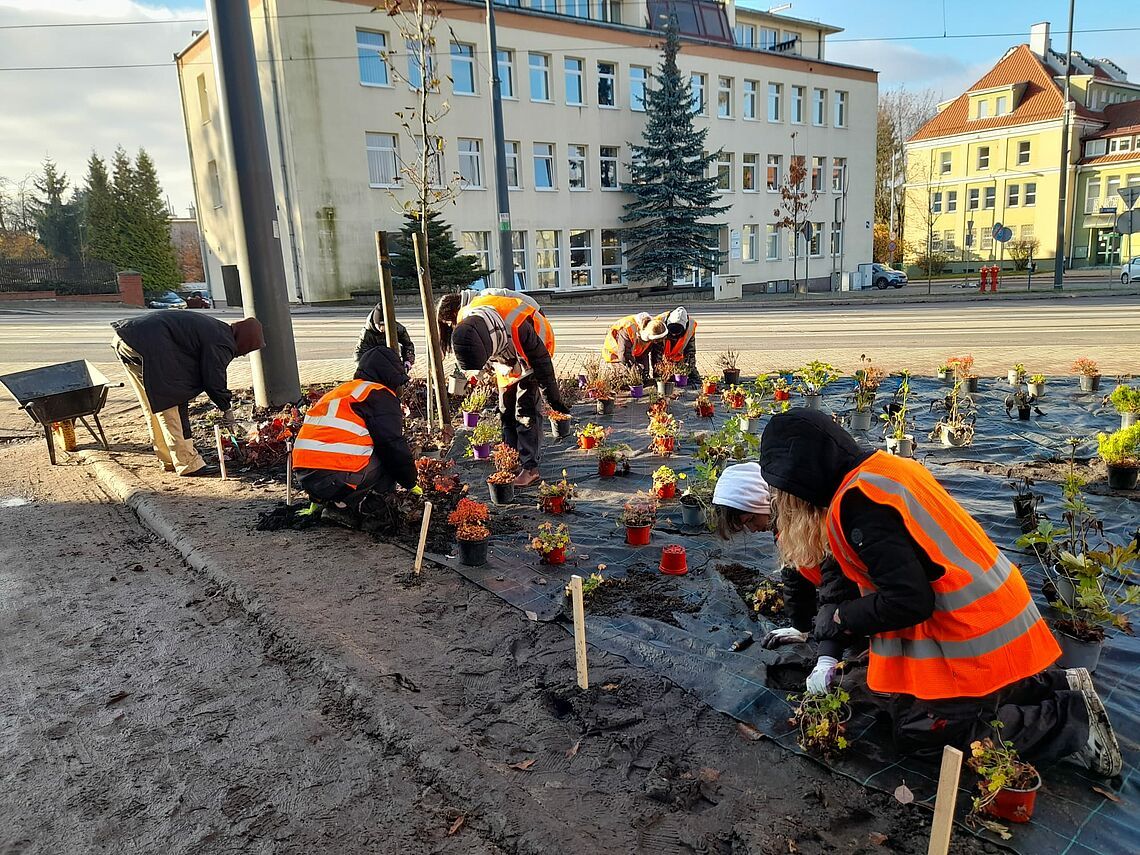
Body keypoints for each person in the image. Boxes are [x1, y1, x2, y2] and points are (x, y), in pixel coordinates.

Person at [758, 408, 1122, 775]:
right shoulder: (881, 473)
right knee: (904, 704)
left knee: (924, 735)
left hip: (970, 631)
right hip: (993, 610)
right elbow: (845, 579)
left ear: (799, 476)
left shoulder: (859, 504)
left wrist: (843, 618)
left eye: (781, 488)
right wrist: (828, 645)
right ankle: (1053, 683)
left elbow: (909, 601)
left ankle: (1072, 722)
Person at [713, 462, 862, 690]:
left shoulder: (813, 516)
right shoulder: (783, 524)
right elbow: (793, 572)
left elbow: (838, 585)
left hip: (867, 594)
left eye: (750, 520)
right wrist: (800, 626)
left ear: (762, 501)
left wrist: (827, 656)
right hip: (843, 598)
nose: (753, 530)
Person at [111, 311, 264, 477]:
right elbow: (213, 380)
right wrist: (226, 408)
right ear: (245, 341)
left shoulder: (218, 330)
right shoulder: (223, 342)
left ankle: (169, 458)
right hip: (147, 344)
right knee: (173, 402)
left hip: (128, 339)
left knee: (153, 405)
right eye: (249, 348)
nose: (245, 354)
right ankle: (188, 463)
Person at [444, 291, 568, 487]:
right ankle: (510, 459)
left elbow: (541, 362)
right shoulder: (466, 320)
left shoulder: (517, 323)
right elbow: (472, 350)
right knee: (505, 410)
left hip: (532, 353)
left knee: (525, 411)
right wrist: (477, 373)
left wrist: (553, 399)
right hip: (506, 358)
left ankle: (530, 468)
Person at [292, 345, 418, 514]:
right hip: (336, 478)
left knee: (362, 446)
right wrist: (410, 482)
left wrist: (316, 500)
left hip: (305, 477)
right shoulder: (379, 394)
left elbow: (320, 446)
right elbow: (391, 445)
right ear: (390, 377)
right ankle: (370, 508)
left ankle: (332, 503)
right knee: (386, 456)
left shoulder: (341, 392)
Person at [601, 312, 667, 380]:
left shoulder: (656, 327)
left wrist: (645, 371)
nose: (656, 342)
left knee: (643, 375)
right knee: (627, 376)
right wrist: (636, 368)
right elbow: (624, 355)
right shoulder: (628, 328)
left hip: (635, 351)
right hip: (615, 354)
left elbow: (644, 353)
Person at [354, 305, 415, 369]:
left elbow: (408, 345)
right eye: (379, 325)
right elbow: (360, 352)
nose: (382, 329)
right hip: (374, 360)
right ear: (374, 323)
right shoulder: (367, 333)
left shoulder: (398, 328)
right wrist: (362, 367)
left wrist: (408, 360)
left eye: (384, 325)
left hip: (392, 358)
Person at [653, 307, 699, 382]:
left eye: (677, 334)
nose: (674, 335)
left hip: (677, 360)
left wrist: (692, 374)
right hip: (664, 358)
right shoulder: (659, 323)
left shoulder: (690, 327)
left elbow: (690, 353)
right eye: (671, 333)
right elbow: (656, 353)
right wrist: (659, 375)